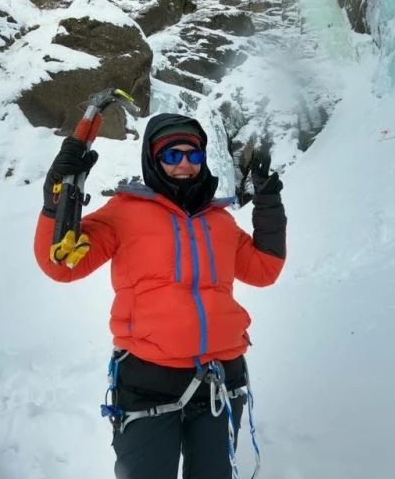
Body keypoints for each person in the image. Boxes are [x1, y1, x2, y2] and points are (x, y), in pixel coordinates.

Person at [33, 112, 287, 479]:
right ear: (153, 159)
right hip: (148, 380)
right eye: (172, 156)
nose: (185, 164)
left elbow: (265, 270)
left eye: (193, 155)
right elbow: (61, 264)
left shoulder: (219, 221)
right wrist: (57, 202)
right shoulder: (124, 212)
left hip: (219, 378)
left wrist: (268, 206)